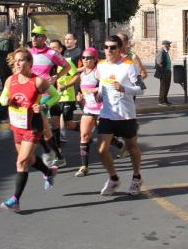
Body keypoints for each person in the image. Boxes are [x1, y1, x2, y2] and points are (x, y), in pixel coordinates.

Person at [0, 48, 61, 212]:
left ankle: (15, 200)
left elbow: (56, 95)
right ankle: (48, 172)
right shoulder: (10, 80)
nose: (18, 63)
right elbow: (2, 99)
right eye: (16, 60)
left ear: (30, 63)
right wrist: (8, 100)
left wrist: (43, 105)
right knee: (29, 159)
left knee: (21, 162)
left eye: (21, 60)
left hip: (33, 127)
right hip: (17, 126)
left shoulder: (38, 81)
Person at [96, 35, 144, 196]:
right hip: (107, 113)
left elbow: (141, 89)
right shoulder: (101, 65)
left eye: (113, 48)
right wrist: (99, 94)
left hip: (126, 114)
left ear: (119, 49)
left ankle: (136, 177)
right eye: (106, 47)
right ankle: (113, 178)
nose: (109, 50)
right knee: (102, 150)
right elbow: (102, 83)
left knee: (131, 147)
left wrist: (124, 88)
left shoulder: (129, 66)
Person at [28, 26, 70, 166]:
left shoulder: (52, 53)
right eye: (33, 35)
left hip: (46, 93)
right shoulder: (28, 53)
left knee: (40, 126)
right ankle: (56, 154)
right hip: (32, 94)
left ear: (44, 38)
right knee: (41, 128)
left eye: (38, 35)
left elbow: (67, 67)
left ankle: (49, 153)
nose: (34, 37)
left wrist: (56, 76)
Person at [49, 39, 80, 163]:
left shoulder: (66, 62)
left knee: (68, 124)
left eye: (54, 48)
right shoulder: (49, 64)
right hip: (54, 98)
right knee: (55, 123)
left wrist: (66, 86)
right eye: (50, 48)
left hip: (67, 97)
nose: (52, 50)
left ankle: (86, 130)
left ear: (60, 49)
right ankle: (58, 152)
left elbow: (77, 76)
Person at [74, 47, 103, 177]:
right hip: (89, 108)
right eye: (83, 58)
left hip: (102, 109)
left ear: (95, 59)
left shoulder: (98, 72)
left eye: (89, 57)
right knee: (84, 135)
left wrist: (96, 89)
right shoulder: (82, 74)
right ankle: (84, 166)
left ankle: (120, 145)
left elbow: (107, 85)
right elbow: (83, 94)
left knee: (102, 137)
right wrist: (80, 98)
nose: (86, 60)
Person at [0, 26, 16, 122]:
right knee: (7, 91)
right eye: (14, 32)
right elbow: (8, 57)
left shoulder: (0, 41)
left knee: (6, 91)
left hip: (1, 69)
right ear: (10, 32)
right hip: (6, 70)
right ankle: (0, 113)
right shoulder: (7, 42)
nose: (14, 34)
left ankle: (1, 113)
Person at [154, 40, 173, 106]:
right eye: (168, 46)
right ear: (165, 45)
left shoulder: (165, 52)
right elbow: (159, 63)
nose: (169, 47)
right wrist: (163, 72)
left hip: (168, 71)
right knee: (163, 87)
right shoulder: (161, 51)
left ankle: (165, 99)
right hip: (164, 72)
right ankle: (161, 101)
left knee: (167, 86)